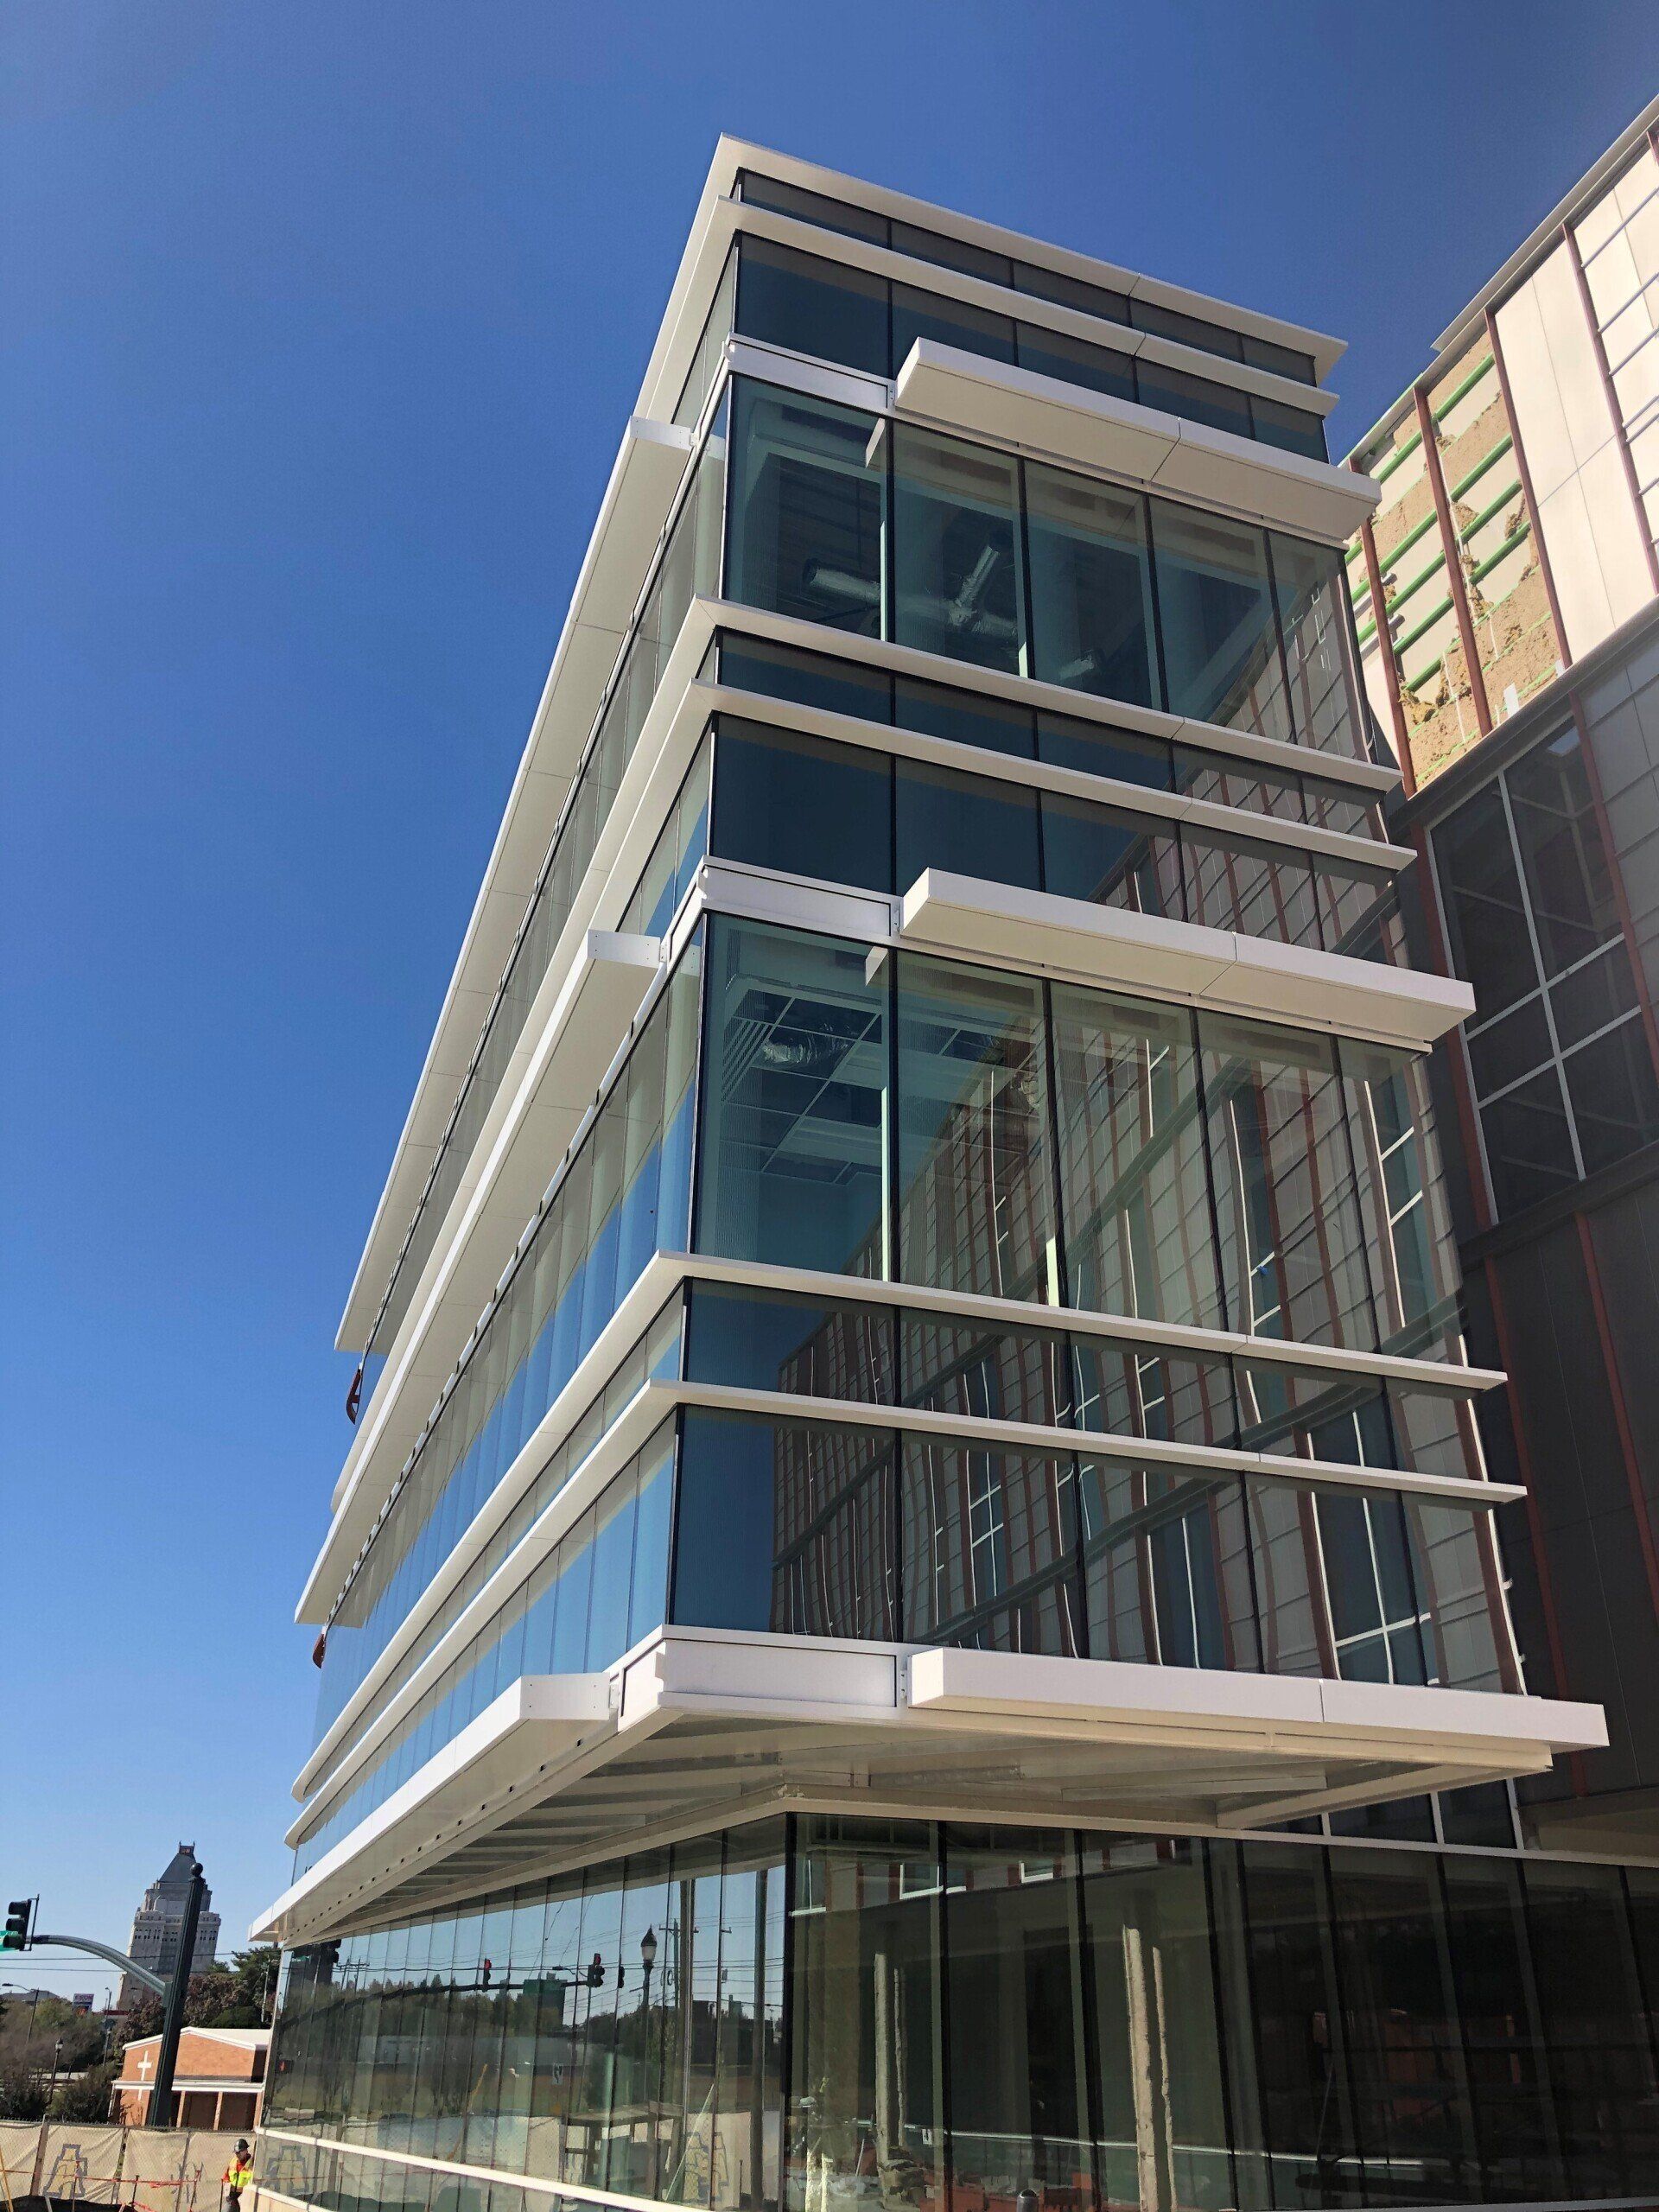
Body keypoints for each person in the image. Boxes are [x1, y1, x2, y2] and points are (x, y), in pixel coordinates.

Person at [224, 2140, 253, 2212]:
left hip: (245, 2197)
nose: (237, 2155)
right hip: (232, 2196)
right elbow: (226, 2177)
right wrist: (227, 2184)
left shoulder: (252, 2165)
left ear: (246, 2151)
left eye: (239, 2152)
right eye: (236, 2153)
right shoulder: (233, 2162)